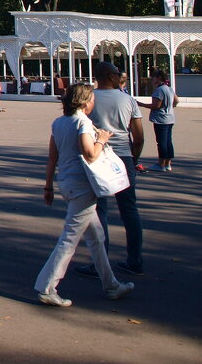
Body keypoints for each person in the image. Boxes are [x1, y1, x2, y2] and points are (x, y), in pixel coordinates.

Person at [35, 84, 134, 306]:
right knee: (70, 238)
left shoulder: (59, 123)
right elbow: (90, 154)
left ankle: (111, 285)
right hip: (82, 186)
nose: (94, 102)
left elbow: (53, 158)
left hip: (67, 183)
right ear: (85, 102)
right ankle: (47, 286)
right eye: (92, 99)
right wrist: (102, 138)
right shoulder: (83, 122)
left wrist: (48, 186)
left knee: (96, 237)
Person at [74, 61, 144, 279]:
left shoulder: (90, 99)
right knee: (129, 210)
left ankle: (100, 263)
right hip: (123, 156)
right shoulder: (127, 99)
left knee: (100, 210)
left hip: (98, 156)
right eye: (117, 74)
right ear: (111, 76)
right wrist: (134, 156)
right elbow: (139, 136)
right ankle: (136, 260)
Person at [142, 70, 176, 172]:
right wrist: (170, 107)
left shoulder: (159, 90)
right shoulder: (169, 89)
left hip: (161, 119)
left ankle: (161, 165)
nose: (152, 79)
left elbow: (156, 105)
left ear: (159, 78)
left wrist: (141, 104)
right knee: (168, 141)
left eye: (154, 77)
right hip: (170, 118)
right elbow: (176, 100)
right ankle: (168, 164)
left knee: (161, 142)